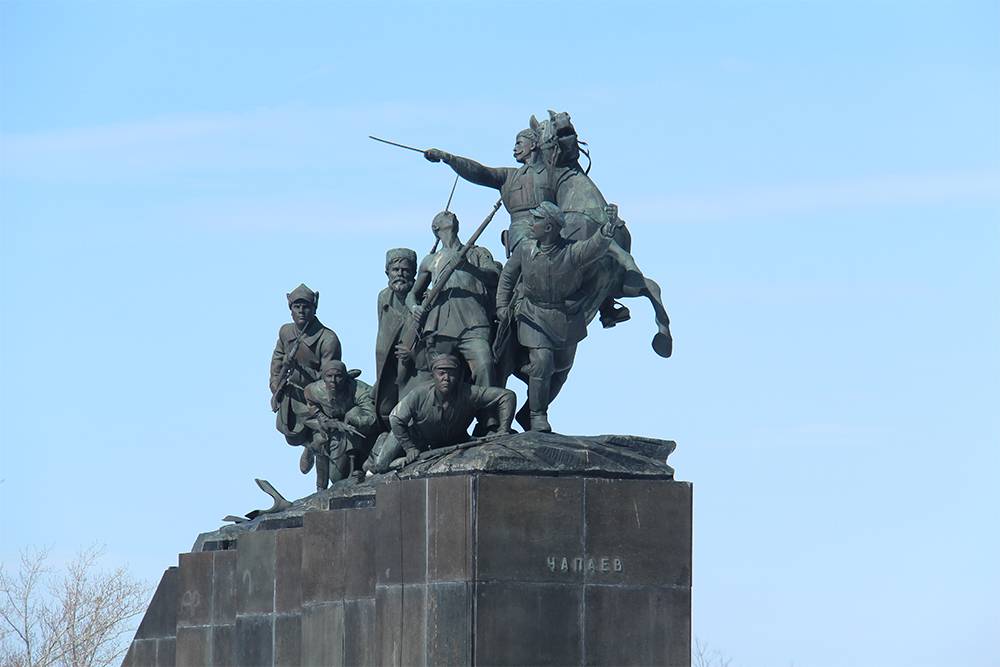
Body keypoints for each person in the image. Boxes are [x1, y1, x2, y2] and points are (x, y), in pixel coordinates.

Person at [496, 201, 623, 432]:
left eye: (537, 220)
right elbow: (507, 277)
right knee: (542, 363)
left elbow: (594, 247)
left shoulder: (571, 252)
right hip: (533, 314)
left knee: (561, 369)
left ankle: (527, 413)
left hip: (565, 318)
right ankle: (537, 415)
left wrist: (608, 228)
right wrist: (501, 306)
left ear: (549, 228)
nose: (532, 224)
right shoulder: (525, 249)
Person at [365, 353, 515, 474]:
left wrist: (504, 429)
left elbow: (507, 396)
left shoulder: (469, 393)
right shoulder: (419, 394)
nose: (446, 378)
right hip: (414, 439)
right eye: (441, 373)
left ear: (459, 376)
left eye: (452, 374)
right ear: (433, 375)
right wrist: (410, 448)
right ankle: (385, 450)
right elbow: (395, 418)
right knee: (381, 467)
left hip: (452, 441)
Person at [406, 211, 501, 389]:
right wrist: (414, 307)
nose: (450, 214)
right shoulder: (430, 260)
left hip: (473, 323)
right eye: (444, 215)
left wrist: (468, 267)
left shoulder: (477, 253)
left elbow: (494, 277)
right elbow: (412, 294)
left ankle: (488, 414)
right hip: (441, 327)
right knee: (436, 374)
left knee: (485, 365)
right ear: (436, 228)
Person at [424, 127, 554, 256]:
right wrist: (448, 158)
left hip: (552, 226)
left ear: (533, 145)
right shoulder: (508, 176)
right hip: (522, 230)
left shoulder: (552, 173)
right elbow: (481, 172)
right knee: (526, 250)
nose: (515, 149)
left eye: (519, 143)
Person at [269, 283, 342, 449]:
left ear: (314, 308)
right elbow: (276, 362)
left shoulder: (328, 339)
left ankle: (314, 449)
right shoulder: (285, 332)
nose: (301, 311)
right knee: (291, 434)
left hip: (317, 402)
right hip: (291, 397)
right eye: (297, 306)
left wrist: (298, 368)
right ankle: (309, 447)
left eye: (306, 306)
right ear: (291, 309)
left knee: (324, 442)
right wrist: (276, 387)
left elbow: (329, 380)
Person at [373, 248, 427, 429]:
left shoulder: (425, 298)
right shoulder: (383, 297)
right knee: (382, 407)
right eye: (396, 270)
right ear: (387, 272)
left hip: (417, 368)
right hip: (389, 364)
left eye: (406, 270)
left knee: (410, 411)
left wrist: (414, 354)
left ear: (414, 273)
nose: (400, 274)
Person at [303, 360, 376, 489]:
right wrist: (322, 418)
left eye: (338, 376)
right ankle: (320, 486)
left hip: (356, 430)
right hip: (331, 429)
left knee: (337, 478)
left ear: (345, 377)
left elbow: (372, 416)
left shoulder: (359, 389)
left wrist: (355, 420)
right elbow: (310, 402)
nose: (333, 380)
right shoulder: (313, 390)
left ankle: (358, 465)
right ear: (323, 378)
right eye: (329, 376)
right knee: (321, 443)